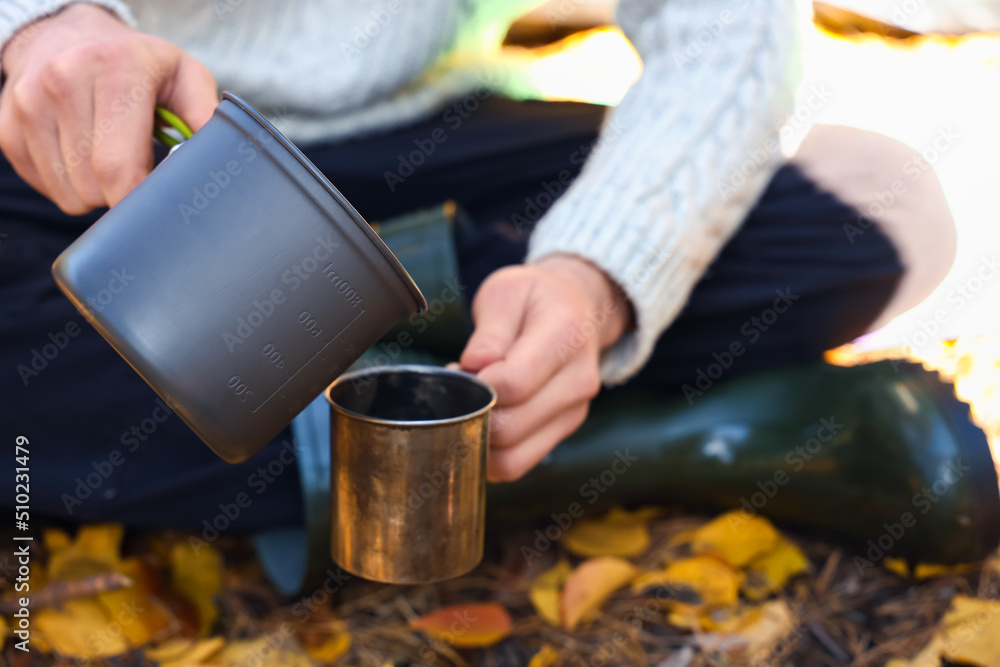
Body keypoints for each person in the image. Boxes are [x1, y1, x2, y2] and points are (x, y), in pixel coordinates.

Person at [0, 0, 957, 529]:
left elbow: (726, 25)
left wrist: (595, 279)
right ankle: (652, 439)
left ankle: (354, 351)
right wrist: (49, 24)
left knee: (878, 201)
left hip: (428, 136)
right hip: (134, 145)